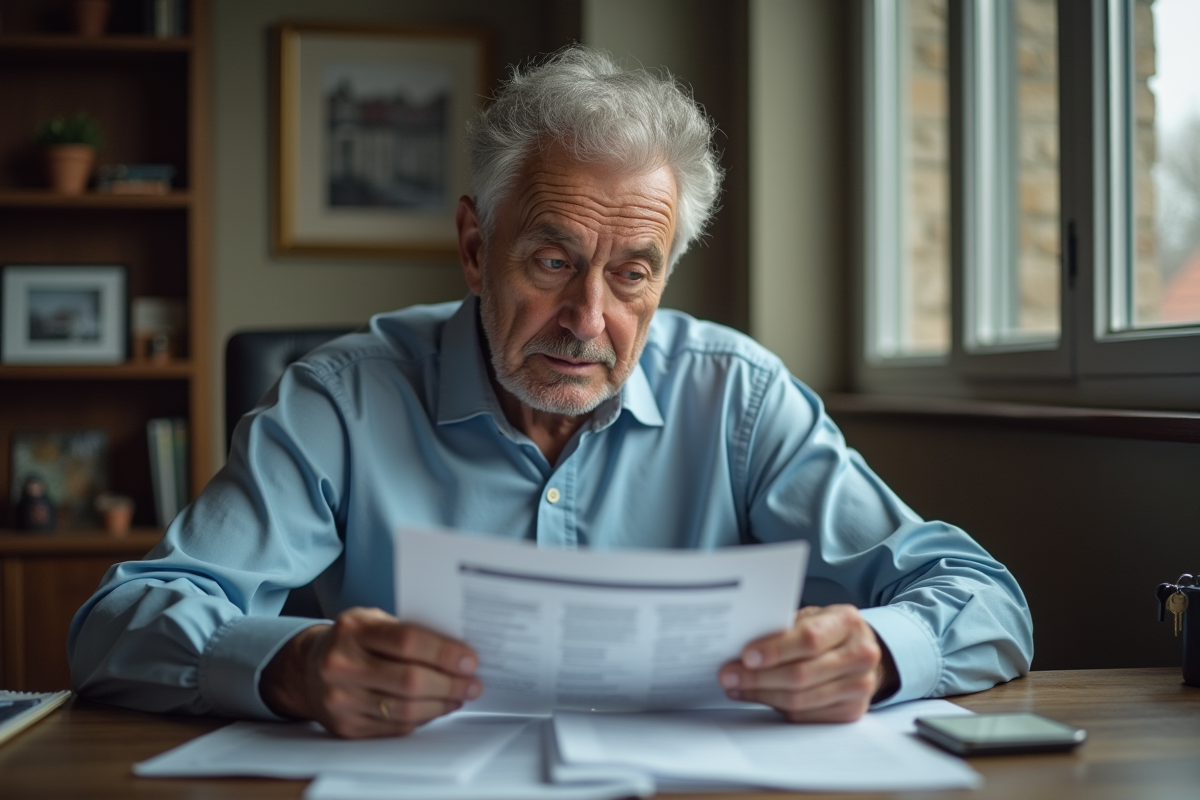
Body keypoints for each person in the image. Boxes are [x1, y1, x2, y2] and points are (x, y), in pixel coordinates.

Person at [69, 47, 1032, 739]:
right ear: (475, 247)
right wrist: (293, 666)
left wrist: (880, 650)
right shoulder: (341, 401)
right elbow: (119, 622)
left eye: (633, 274)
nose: (587, 319)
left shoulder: (736, 397)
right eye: (552, 260)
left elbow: (984, 599)